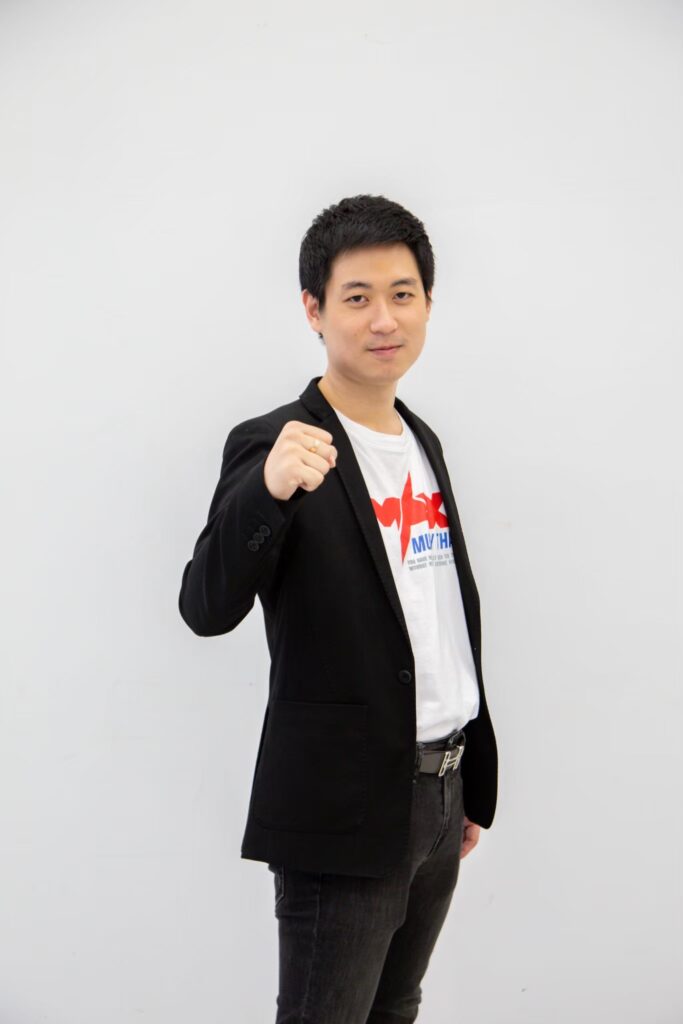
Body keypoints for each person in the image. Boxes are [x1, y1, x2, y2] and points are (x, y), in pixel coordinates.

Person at [178, 193, 498, 1023]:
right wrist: (267, 491)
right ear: (314, 310)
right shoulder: (275, 442)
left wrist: (461, 783)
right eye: (356, 296)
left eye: (402, 294)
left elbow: (434, 614)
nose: (383, 318)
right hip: (345, 801)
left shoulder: (422, 441)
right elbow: (204, 606)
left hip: (442, 793)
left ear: (427, 303)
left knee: (395, 1009)